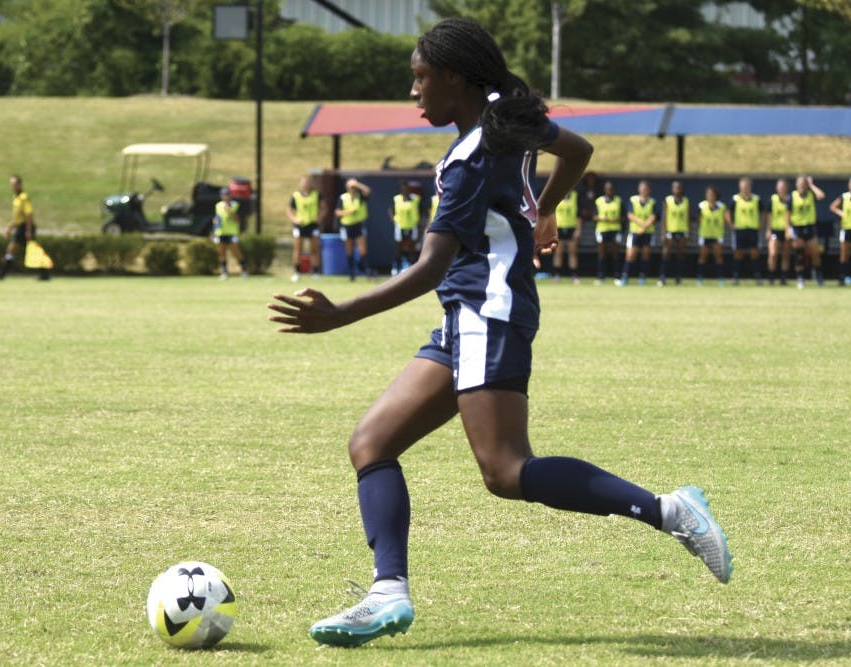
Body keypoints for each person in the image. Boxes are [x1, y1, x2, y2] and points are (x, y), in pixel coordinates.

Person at [268, 17, 732, 649]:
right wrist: (542, 209)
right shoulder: (504, 118)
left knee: (507, 471)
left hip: (488, 313)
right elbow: (578, 151)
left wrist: (341, 313)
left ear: (454, 76)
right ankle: (387, 593)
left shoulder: (467, 158)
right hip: (470, 314)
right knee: (372, 442)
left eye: (421, 77)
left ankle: (669, 510)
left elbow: (431, 266)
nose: (413, 91)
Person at [0, 175, 49, 281]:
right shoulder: (16, 198)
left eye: (14, 184)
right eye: (11, 184)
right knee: (29, 250)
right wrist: (8, 229)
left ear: (19, 184)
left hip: (25, 227)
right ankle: (44, 274)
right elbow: (16, 217)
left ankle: (2, 273)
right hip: (20, 227)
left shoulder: (24, 197)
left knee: (22, 250)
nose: (12, 186)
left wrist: (28, 230)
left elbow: (28, 214)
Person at [617, 180, 658, 286]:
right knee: (630, 255)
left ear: (649, 190)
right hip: (635, 232)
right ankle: (625, 277)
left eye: (646, 188)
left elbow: (653, 217)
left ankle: (642, 277)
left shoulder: (652, 202)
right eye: (642, 188)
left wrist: (644, 228)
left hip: (648, 232)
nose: (644, 190)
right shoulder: (633, 200)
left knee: (645, 254)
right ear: (639, 189)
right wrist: (641, 225)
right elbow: (630, 215)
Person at [789, 175, 826, 289]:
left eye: (804, 184)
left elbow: (822, 196)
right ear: (796, 185)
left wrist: (812, 185)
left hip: (810, 227)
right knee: (799, 254)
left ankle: (818, 276)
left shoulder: (811, 195)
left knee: (815, 253)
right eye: (800, 184)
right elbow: (787, 214)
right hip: (797, 228)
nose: (802, 187)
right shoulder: (792, 196)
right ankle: (800, 278)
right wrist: (788, 229)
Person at [288, 175, 326, 282]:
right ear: (301, 184)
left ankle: (315, 272)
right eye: (304, 182)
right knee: (298, 249)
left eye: (307, 182)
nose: (306, 184)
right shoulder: (295, 195)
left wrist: (319, 218)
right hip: (300, 225)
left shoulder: (316, 195)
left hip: (312, 225)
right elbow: (289, 209)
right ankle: (296, 272)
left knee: (314, 249)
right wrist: (294, 219)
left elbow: (324, 209)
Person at [335, 177, 372, 280]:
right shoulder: (343, 198)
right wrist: (348, 212)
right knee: (349, 250)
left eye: (353, 187)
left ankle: (366, 272)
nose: (352, 188)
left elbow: (368, 191)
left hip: (358, 225)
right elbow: (337, 212)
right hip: (347, 225)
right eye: (350, 186)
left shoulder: (359, 196)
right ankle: (351, 274)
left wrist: (357, 184)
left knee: (363, 250)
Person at [730, 177, 764, 285]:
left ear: (750, 187)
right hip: (740, 229)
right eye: (742, 186)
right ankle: (735, 276)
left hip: (752, 229)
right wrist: (731, 224)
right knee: (738, 253)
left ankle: (757, 276)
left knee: (754, 253)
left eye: (746, 186)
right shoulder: (735, 199)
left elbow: (764, 212)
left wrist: (762, 224)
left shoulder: (756, 199)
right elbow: (728, 212)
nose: (744, 188)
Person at [696, 186, 730, 286]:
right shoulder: (701, 205)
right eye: (708, 194)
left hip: (717, 234)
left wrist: (731, 225)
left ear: (716, 196)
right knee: (702, 256)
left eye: (712, 194)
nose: (710, 196)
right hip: (705, 234)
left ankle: (720, 278)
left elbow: (726, 219)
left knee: (718, 256)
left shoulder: (722, 206)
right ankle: (700, 278)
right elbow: (699, 220)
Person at [658, 181, 690, 287]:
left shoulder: (686, 201)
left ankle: (678, 277)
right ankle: (663, 277)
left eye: (679, 187)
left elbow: (688, 217)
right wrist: (663, 233)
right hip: (670, 231)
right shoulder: (667, 200)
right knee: (666, 253)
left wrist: (688, 232)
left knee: (681, 254)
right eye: (676, 188)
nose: (678, 189)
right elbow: (664, 217)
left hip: (682, 230)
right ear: (672, 189)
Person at [213, 187, 248, 279]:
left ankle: (244, 270)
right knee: (222, 252)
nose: (225, 197)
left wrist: (230, 211)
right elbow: (217, 217)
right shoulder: (218, 205)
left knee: (236, 251)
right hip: (220, 232)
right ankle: (224, 272)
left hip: (232, 232)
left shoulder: (235, 205)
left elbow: (237, 219)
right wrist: (215, 221)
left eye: (227, 195)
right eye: (223, 195)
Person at [389, 181, 422, 275]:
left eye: (407, 189)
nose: (405, 190)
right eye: (403, 189)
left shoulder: (415, 199)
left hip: (412, 226)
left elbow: (423, 209)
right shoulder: (396, 199)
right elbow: (391, 210)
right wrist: (394, 219)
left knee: (412, 248)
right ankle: (396, 268)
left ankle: (412, 268)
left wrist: (418, 219)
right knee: (399, 248)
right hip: (400, 226)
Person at [593, 180, 622, 284]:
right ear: (604, 190)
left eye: (611, 189)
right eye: (607, 189)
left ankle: (617, 276)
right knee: (602, 253)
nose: (609, 191)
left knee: (615, 253)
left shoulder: (618, 200)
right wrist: (602, 218)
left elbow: (622, 217)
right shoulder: (599, 201)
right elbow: (594, 216)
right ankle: (601, 276)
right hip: (602, 230)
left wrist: (614, 220)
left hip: (615, 229)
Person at [766, 178, 792, 285]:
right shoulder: (773, 199)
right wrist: (768, 229)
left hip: (787, 231)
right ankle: (771, 277)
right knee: (773, 253)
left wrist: (788, 230)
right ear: (777, 188)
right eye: (779, 187)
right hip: (775, 230)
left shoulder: (791, 199)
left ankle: (783, 277)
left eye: (783, 187)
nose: (781, 189)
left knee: (785, 254)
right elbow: (769, 215)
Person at [552, 190, 580, 283]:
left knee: (572, 252)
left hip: (571, 228)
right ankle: (557, 274)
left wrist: (578, 230)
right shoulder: (556, 194)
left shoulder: (575, 196)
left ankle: (574, 275)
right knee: (558, 252)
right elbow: (551, 213)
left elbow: (578, 215)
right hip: (558, 228)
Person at [828, 177, 851, 286]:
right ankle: (843, 277)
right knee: (844, 254)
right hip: (846, 228)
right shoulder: (845, 196)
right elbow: (832, 206)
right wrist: (841, 213)